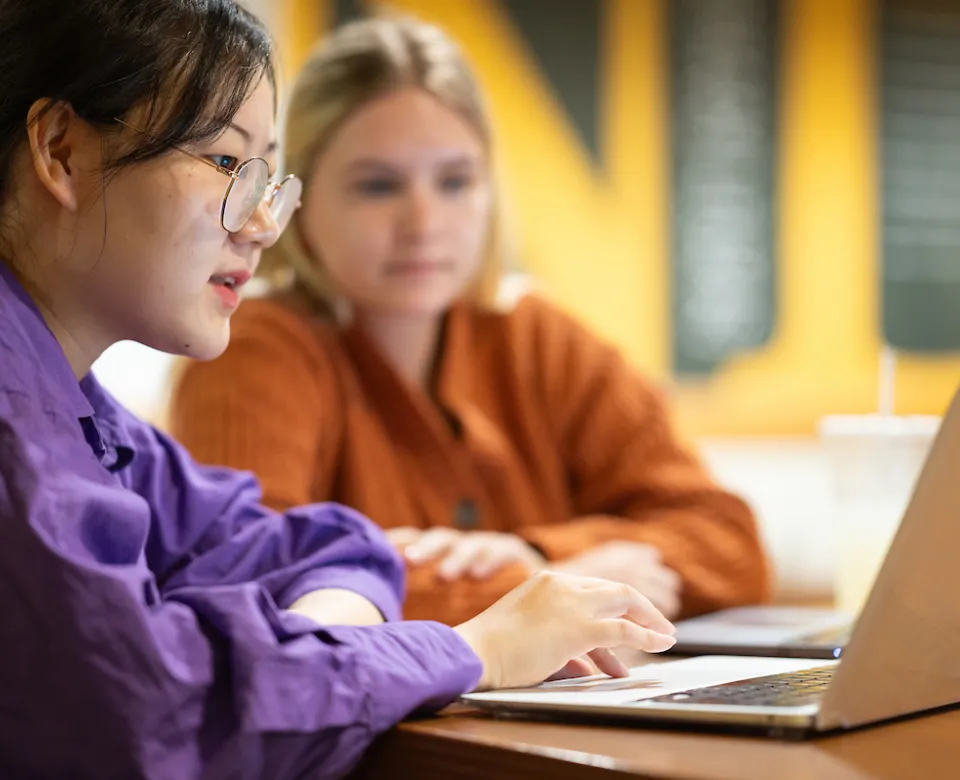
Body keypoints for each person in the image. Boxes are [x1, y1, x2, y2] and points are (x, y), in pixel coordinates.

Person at [0, 1, 678, 777]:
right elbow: (155, 709)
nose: (260, 223)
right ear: (59, 150)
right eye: (226, 163)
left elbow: (327, 547)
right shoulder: (17, 425)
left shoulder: (84, 411)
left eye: (457, 180)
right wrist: (469, 649)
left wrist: (307, 652)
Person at [169, 15, 772, 629]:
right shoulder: (253, 346)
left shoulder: (541, 340)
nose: (424, 222)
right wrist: (547, 584)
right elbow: (247, 585)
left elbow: (731, 547)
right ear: (300, 202)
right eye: (377, 186)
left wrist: (539, 552)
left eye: (456, 181)